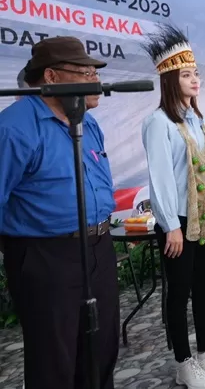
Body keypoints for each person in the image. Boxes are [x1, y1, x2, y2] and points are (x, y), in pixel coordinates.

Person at [0, 37, 119, 388]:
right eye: (83, 72)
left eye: (94, 71)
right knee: (55, 361)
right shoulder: (14, 128)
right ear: (51, 76)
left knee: (101, 351)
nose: (94, 79)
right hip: (45, 256)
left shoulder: (87, 121)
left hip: (98, 248)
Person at [141, 25, 205, 388]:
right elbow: (161, 178)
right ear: (169, 79)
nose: (195, 79)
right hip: (179, 222)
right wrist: (170, 225)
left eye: (195, 72)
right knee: (179, 293)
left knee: (204, 288)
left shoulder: (202, 120)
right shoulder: (158, 123)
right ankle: (183, 363)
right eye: (186, 74)